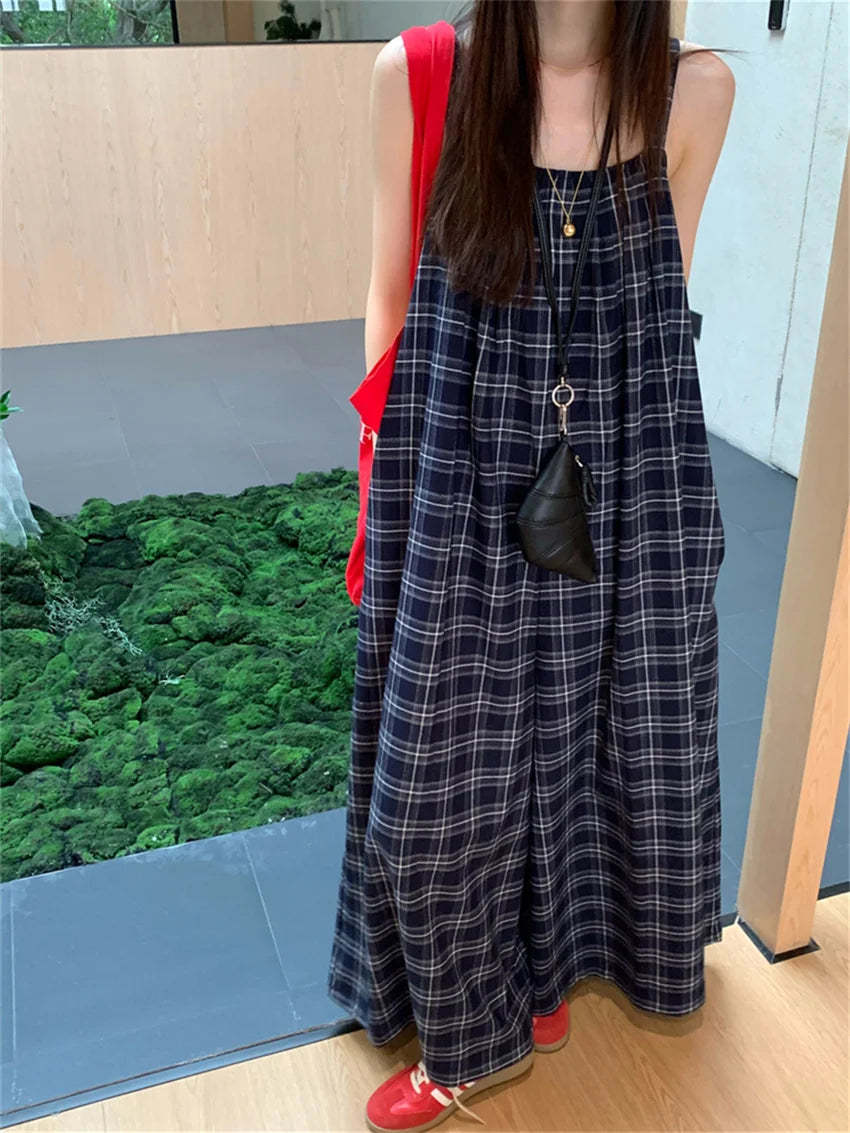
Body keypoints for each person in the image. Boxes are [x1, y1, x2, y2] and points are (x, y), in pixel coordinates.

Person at [327, 2, 736, 1130]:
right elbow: (390, 297)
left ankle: (544, 977)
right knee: (431, 784)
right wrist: (387, 484)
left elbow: (660, 303)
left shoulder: (693, 92)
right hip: (454, 461)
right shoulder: (423, 74)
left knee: (608, 743)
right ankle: (470, 1025)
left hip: (631, 468)